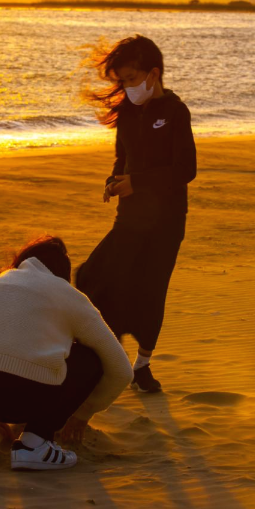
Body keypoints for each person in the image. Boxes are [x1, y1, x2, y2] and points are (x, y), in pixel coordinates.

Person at [0, 235, 132, 470]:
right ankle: (35, 443)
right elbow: (121, 369)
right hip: (22, 396)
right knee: (90, 358)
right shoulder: (68, 294)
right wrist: (83, 414)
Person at [75, 35, 196, 393]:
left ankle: (141, 367)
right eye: (122, 81)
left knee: (151, 290)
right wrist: (113, 182)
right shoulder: (127, 112)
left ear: (153, 73)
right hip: (129, 218)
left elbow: (185, 170)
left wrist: (137, 183)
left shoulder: (175, 111)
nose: (127, 87)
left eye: (131, 78)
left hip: (167, 221)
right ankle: (106, 354)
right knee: (93, 276)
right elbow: (122, 158)